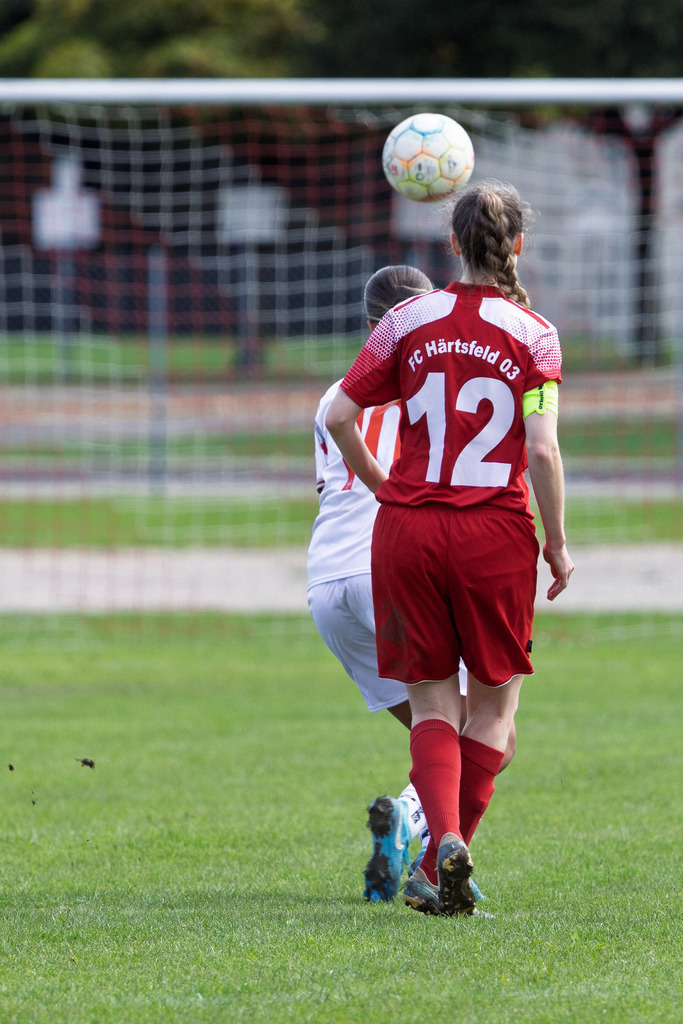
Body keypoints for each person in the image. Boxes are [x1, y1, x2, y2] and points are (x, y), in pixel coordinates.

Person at [325, 180, 574, 917]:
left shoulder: (406, 318)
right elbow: (541, 451)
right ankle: (443, 852)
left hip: (407, 532)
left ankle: (439, 850)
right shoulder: (536, 335)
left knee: (432, 699)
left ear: (452, 246)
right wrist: (556, 545)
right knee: (494, 712)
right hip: (492, 533)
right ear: (517, 246)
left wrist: (385, 487)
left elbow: (341, 414)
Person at [307, 264, 515, 905]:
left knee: (439, 730)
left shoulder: (334, 395)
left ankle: (416, 828)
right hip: (394, 564)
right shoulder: (433, 388)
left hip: (327, 588)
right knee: (491, 733)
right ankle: (417, 832)